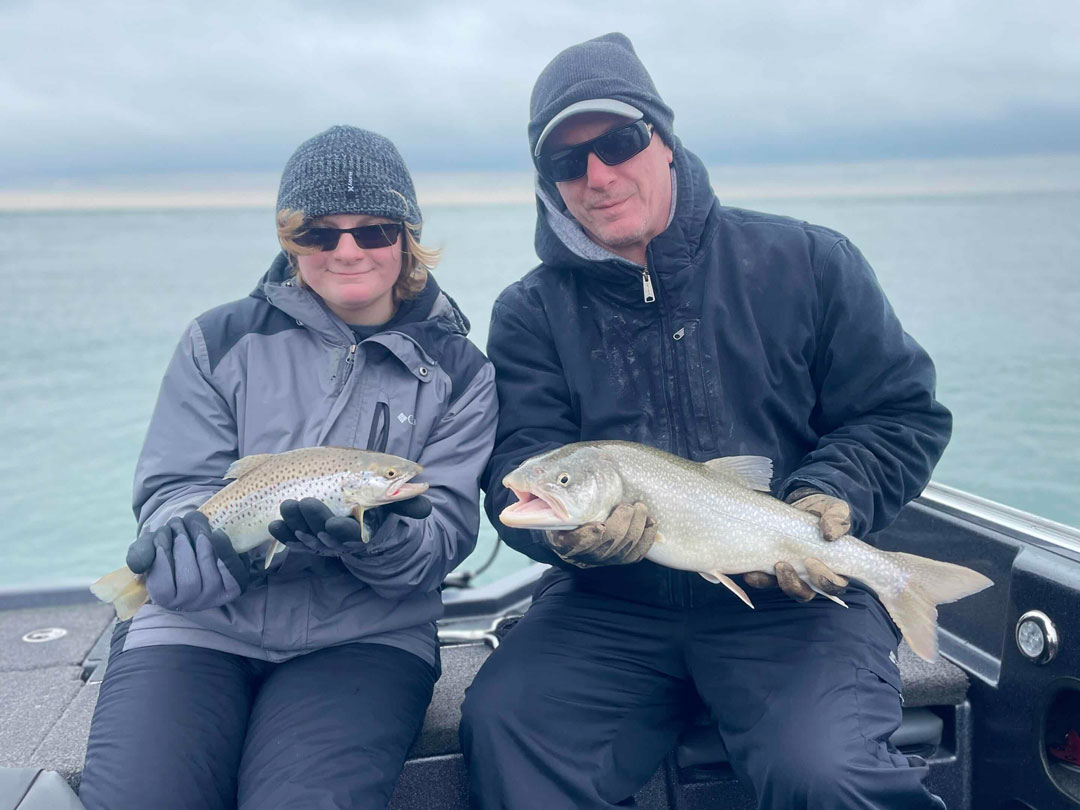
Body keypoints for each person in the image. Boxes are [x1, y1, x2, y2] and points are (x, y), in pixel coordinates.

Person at [460, 33, 952, 809]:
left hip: (795, 597)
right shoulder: (530, 312)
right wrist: (564, 539)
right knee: (506, 726)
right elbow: (520, 464)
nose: (597, 175)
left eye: (619, 141)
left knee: (828, 771)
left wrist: (829, 492)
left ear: (663, 138)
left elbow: (898, 415)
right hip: (610, 602)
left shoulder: (811, 262)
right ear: (549, 182)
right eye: (566, 160)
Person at [78, 125, 497, 810]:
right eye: (319, 233)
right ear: (289, 238)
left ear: (407, 237)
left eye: (374, 230)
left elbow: (444, 534)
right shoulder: (218, 339)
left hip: (367, 637)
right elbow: (176, 483)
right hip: (197, 623)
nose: (348, 250)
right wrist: (188, 545)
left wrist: (383, 539)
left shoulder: (461, 373)